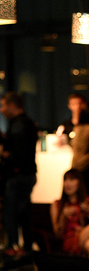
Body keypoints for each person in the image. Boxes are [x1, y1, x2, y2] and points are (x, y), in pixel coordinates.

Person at [0, 91, 39, 258]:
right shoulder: (26, 123)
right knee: (23, 213)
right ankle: (25, 249)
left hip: (18, 176)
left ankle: (13, 249)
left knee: (11, 214)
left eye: (3, 106)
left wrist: (5, 154)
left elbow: (18, 154)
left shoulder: (18, 125)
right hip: (27, 174)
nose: (1, 110)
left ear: (12, 105)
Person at [50, 169, 89, 257]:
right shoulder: (57, 205)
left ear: (79, 182)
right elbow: (57, 234)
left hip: (87, 237)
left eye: (72, 179)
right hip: (69, 239)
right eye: (65, 180)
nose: (67, 183)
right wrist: (63, 216)